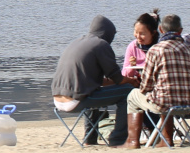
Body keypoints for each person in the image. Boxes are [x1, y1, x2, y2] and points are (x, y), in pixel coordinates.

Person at [52, 15, 134, 145]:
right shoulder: (101, 45)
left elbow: (98, 81)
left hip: (57, 100)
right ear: (108, 33)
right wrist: (133, 81)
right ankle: (118, 138)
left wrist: (123, 80)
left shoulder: (77, 42)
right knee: (128, 92)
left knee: (93, 89)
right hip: (76, 101)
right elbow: (118, 79)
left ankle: (89, 139)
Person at [124, 14, 190, 149]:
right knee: (165, 93)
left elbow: (146, 85)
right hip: (189, 102)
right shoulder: (188, 50)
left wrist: (143, 88)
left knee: (133, 96)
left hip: (164, 103)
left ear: (160, 30)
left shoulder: (155, 50)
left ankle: (132, 141)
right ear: (180, 31)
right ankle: (166, 138)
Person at [122, 12, 159, 82]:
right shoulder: (133, 46)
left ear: (153, 33)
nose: (138, 37)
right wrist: (131, 66)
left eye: (142, 34)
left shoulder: (160, 47)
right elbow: (124, 76)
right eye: (136, 32)